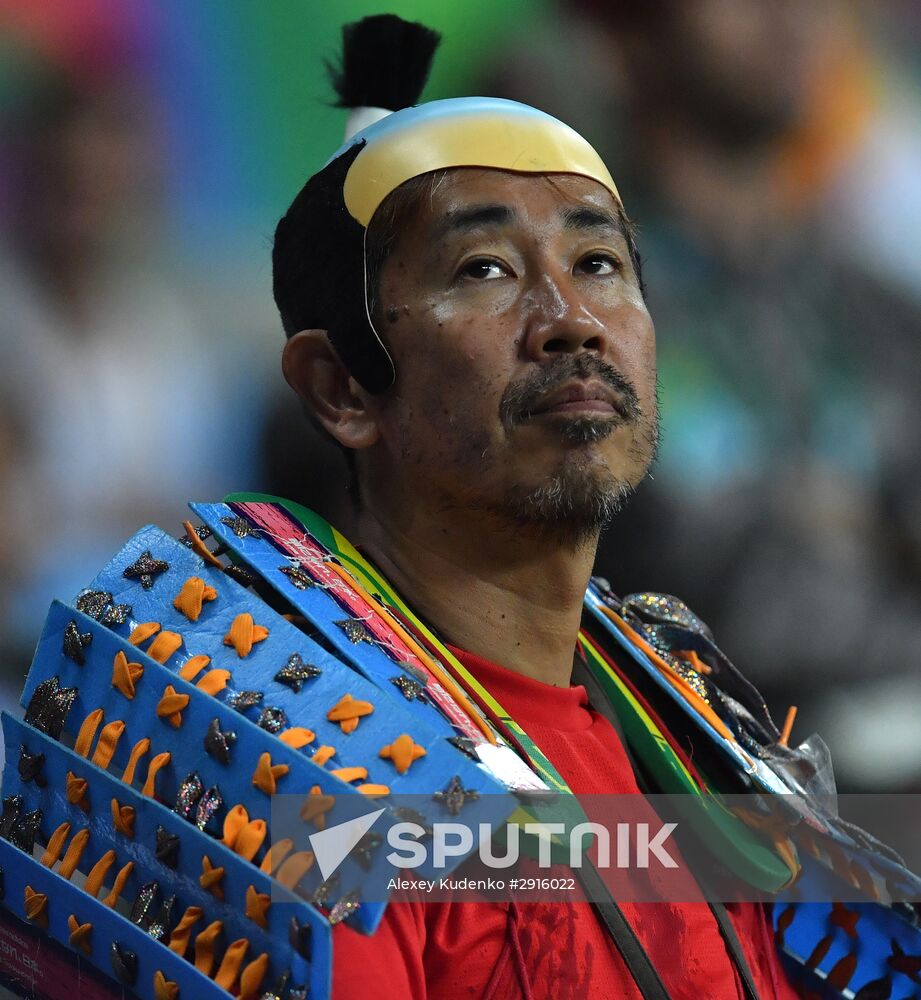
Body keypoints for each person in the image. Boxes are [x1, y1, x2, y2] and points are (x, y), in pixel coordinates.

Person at [271, 15, 802, 1000]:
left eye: (598, 263)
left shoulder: (689, 724)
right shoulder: (309, 783)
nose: (572, 322)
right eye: (484, 270)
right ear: (341, 387)